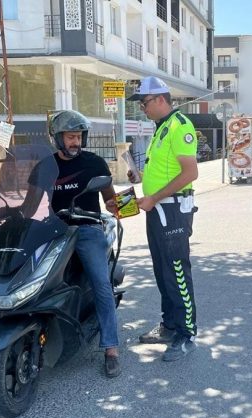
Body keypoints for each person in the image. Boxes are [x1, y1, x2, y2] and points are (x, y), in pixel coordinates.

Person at [127, 76, 199, 362]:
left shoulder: (180, 126)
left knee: (177, 271)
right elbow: (166, 173)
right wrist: (141, 178)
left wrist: (154, 198)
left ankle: (186, 333)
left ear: (159, 99)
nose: (142, 109)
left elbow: (189, 174)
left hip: (172, 210)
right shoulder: (161, 129)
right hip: (157, 209)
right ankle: (170, 325)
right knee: (162, 270)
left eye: (144, 103)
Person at [46, 110, 122, 378]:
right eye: (70, 137)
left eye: (78, 136)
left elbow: (110, 199)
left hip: (87, 229)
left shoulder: (94, 163)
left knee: (101, 283)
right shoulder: (46, 166)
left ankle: (111, 348)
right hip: (55, 230)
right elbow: (31, 202)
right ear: (57, 138)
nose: (75, 142)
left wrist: (119, 206)